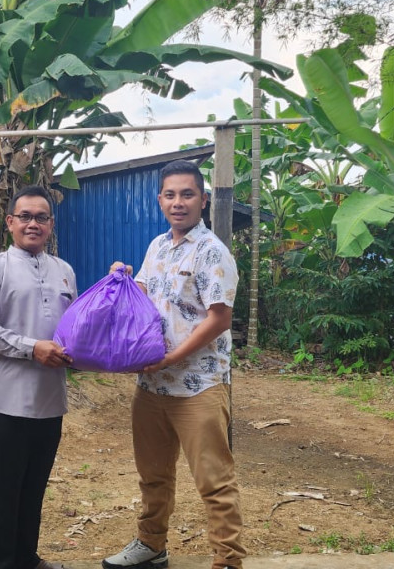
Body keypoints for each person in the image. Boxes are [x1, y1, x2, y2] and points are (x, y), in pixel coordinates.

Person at [103, 161, 244, 569]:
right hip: (152, 387)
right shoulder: (158, 246)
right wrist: (123, 278)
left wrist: (170, 357)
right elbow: (145, 291)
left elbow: (220, 318)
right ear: (160, 200)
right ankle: (152, 546)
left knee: (214, 482)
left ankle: (228, 561)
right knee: (153, 475)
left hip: (198, 386)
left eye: (187, 194)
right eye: (170, 194)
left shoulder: (212, 251)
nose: (178, 202)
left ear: (203, 199)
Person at [0, 185, 78, 569]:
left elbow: (75, 329)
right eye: (26, 217)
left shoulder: (64, 270)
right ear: (11, 222)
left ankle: (25, 559)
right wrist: (32, 347)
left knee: (33, 489)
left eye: (42, 217)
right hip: (8, 402)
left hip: (51, 401)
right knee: (2, 492)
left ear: (51, 224)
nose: (34, 224)